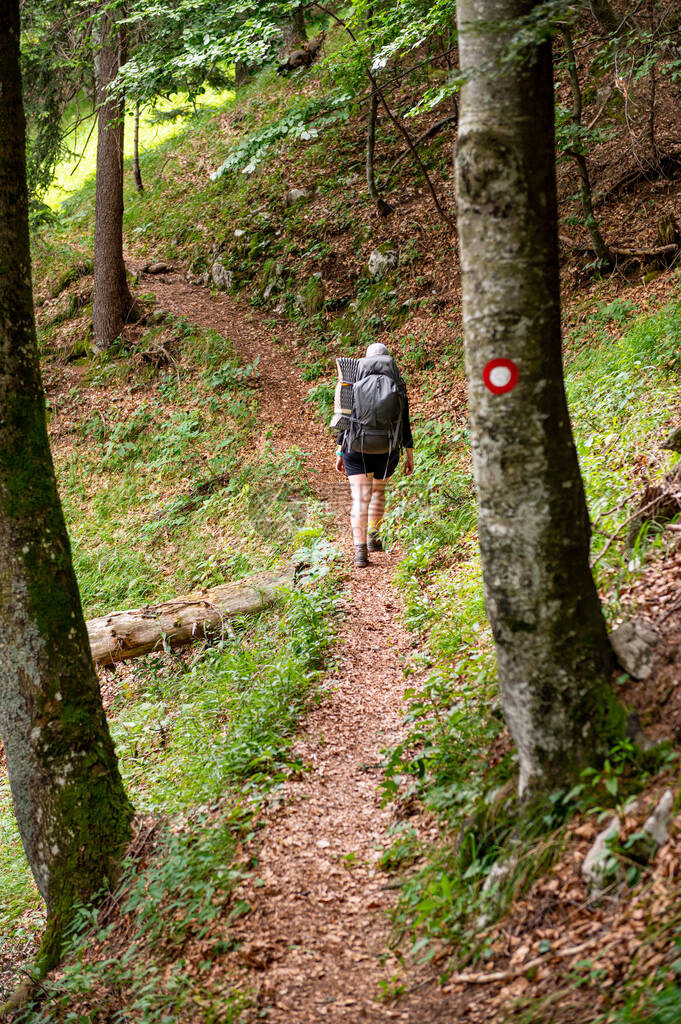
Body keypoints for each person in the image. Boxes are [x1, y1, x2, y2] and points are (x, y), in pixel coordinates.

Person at [335, 342, 414, 567]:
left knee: (360, 498)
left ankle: (360, 552)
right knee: (378, 491)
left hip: (356, 447)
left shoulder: (353, 381)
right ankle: (373, 537)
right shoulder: (397, 383)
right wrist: (409, 454)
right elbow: (404, 423)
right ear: (388, 360)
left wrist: (340, 450)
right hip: (387, 449)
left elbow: (343, 419)